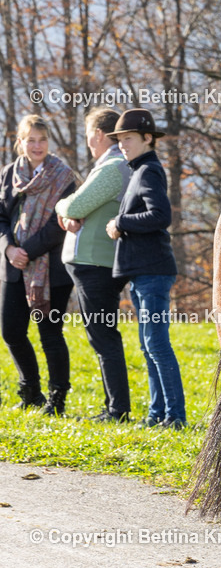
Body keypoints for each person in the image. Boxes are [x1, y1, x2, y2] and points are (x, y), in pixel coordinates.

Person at [105, 109, 186, 430]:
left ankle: (175, 416)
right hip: (143, 272)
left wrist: (120, 222)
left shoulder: (149, 170)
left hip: (153, 272)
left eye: (128, 138)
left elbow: (160, 216)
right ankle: (156, 414)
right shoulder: (140, 170)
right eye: (119, 139)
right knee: (148, 344)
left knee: (156, 344)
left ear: (148, 138)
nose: (122, 144)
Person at [55, 107, 132, 423]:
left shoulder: (112, 167)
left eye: (89, 134)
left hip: (95, 264)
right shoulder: (111, 165)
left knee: (102, 336)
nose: (88, 141)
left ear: (99, 134)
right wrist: (69, 213)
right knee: (101, 335)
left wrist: (63, 208)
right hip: (94, 264)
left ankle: (117, 410)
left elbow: (74, 204)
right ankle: (114, 407)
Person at [0, 114, 76, 414]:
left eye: (42, 139)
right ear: (20, 142)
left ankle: (57, 399)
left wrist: (26, 251)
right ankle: (31, 391)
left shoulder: (63, 176)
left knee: (50, 334)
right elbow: (1, 217)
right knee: (11, 331)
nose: (37, 145)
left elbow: (60, 223)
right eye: (31, 140)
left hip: (52, 270)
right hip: (13, 267)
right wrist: (9, 249)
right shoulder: (9, 174)